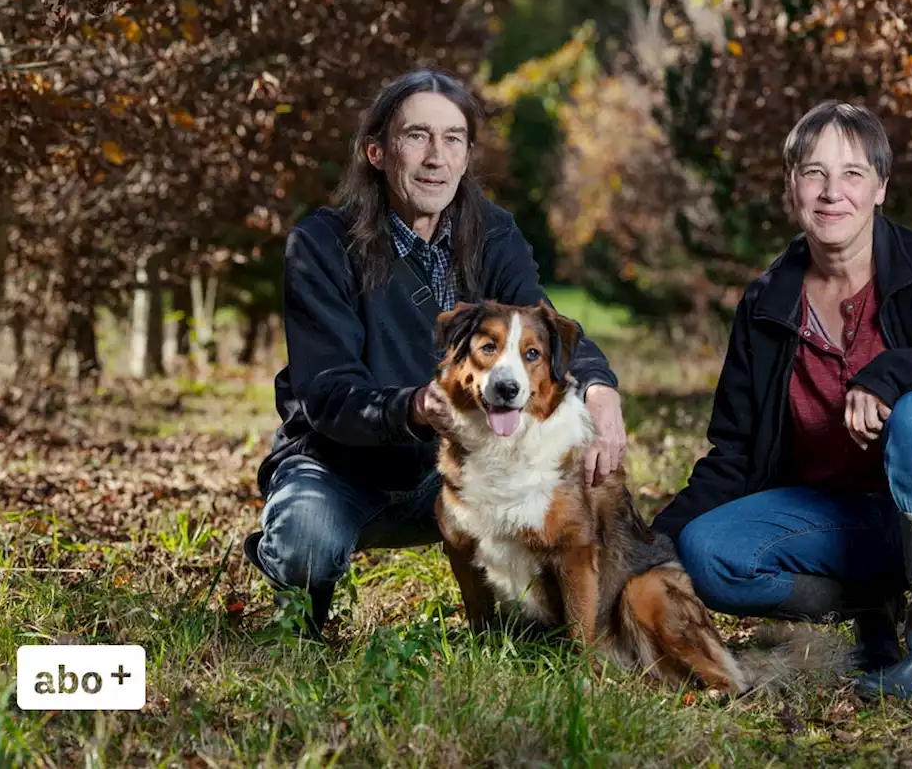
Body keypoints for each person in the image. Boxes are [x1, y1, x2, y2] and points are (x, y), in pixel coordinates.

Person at [650, 101, 912, 699]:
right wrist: (648, 548)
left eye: (853, 174)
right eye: (814, 173)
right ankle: (871, 612)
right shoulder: (766, 304)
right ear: (792, 186)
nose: (833, 192)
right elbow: (732, 452)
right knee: (706, 551)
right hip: (836, 522)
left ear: (881, 188)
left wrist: (896, 370)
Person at [243, 68, 627, 636]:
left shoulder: (494, 234)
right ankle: (300, 606)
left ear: (468, 155)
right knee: (306, 542)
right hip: (344, 465)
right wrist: (414, 407)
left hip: (461, 465)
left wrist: (600, 386)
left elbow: (541, 323)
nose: (435, 157)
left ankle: (558, 621)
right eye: (416, 136)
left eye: (453, 139)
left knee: (583, 479)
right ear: (377, 151)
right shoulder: (322, 245)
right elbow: (326, 392)